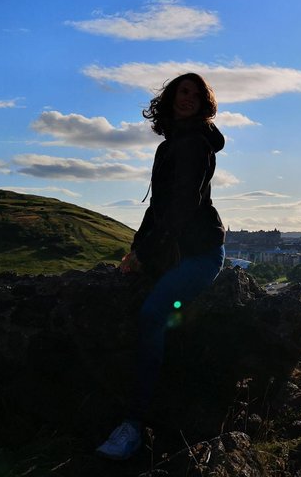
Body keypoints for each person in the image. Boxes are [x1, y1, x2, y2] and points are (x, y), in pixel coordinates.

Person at [96, 73, 226, 460]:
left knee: (153, 314)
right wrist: (136, 249)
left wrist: (146, 255)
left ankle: (133, 426)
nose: (188, 98)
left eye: (196, 94)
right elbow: (156, 208)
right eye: (182, 92)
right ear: (169, 99)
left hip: (200, 256)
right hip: (176, 252)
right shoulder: (174, 143)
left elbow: (181, 209)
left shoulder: (192, 145)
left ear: (204, 103)